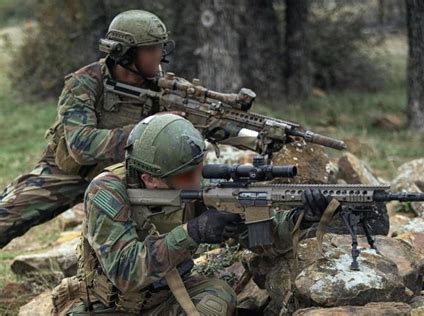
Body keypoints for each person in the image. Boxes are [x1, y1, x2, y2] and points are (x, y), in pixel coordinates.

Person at [51, 113, 328, 315]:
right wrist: (193, 232)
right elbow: (126, 272)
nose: (198, 180)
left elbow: (263, 241)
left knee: (218, 299)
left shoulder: (196, 184)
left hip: (168, 298)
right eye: (187, 175)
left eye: (200, 167)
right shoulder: (106, 191)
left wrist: (301, 218)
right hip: (108, 305)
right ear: (151, 179)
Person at [0, 10, 176, 247]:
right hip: (69, 173)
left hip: (123, 177)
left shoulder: (163, 87)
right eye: (151, 48)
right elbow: (81, 145)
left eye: (161, 47)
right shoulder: (84, 83)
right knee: (6, 217)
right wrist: (149, 129)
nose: (159, 55)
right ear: (124, 53)